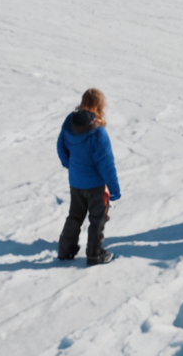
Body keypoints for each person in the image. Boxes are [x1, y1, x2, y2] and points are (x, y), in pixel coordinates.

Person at [56, 87, 121, 266]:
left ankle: (65, 251)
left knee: (75, 216)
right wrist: (114, 189)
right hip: (95, 186)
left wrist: (71, 166)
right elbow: (106, 165)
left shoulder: (69, 122)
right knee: (97, 219)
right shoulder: (98, 133)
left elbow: (60, 147)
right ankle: (95, 255)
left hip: (76, 182)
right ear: (99, 106)